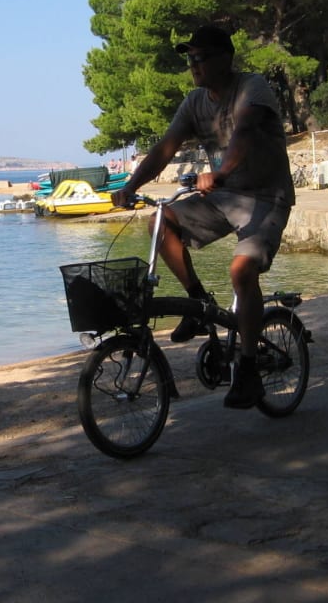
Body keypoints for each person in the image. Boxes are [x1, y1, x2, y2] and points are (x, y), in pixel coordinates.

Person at [112, 25, 295, 410]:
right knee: (161, 222)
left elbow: (243, 132)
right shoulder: (194, 102)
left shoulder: (252, 87)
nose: (194, 65)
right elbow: (166, 147)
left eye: (202, 57)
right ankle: (198, 304)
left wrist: (221, 171)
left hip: (266, 197)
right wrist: (130, 185)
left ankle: (247, 369)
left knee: (242, 271)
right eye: (190, 59)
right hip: (221, 197)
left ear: (225, 59)